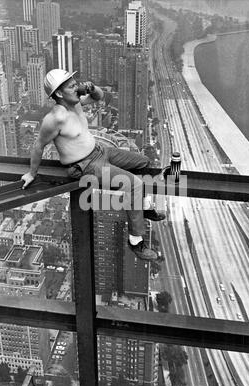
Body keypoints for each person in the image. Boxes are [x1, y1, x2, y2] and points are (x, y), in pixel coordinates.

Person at [21, 69, 165, 261]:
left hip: (100, 151)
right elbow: (38, 146)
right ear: (58, 93)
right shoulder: (55, 119)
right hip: (85, 165)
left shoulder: (76, 103)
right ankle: (135, 241)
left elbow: (100, 96)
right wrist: (32, 173)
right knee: (134, 184)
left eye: (75, 83)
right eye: (71, 86)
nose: (76, 87)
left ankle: (144, 207)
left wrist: (92, 87)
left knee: (143, 162)